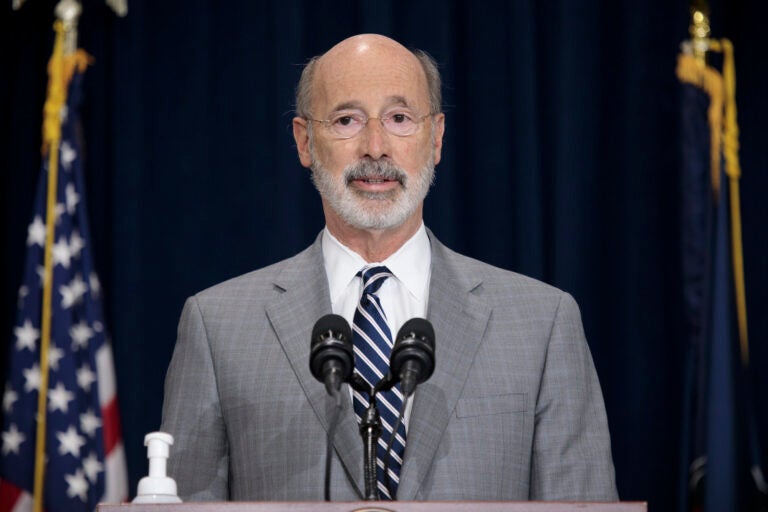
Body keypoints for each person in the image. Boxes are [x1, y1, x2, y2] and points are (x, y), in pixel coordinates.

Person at [160, 33, 618, 502]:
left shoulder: (542, 324)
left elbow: (581, 503)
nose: (375, 147)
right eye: (346, 120)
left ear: (436, 138)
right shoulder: (217, 327)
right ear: (304, 141)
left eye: (399, 118)